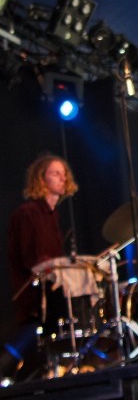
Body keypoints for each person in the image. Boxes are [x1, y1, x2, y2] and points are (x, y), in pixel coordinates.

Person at [0, 154, 78, 382]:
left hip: (51, 299)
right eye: (56, 173)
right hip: (37, 301)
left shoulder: (53, 215)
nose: (63, 178)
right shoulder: (29, 213)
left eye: (64, 173)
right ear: (41, 179)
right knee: (31, 361)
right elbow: (33, 261)